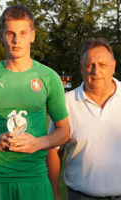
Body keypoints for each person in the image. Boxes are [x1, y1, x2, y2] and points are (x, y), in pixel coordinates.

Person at [0, 4, 69, 200]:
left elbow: (64, 131)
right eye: (10, 33)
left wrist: (39, 142)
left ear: (32, 35)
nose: (16, 40)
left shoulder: (49, 77)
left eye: (23, 33)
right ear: (1, 35)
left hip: (36, 179)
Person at [47, 37, 121, 200]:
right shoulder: (66, 103)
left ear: (113, 67)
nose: (96, 71)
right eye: (90, 65)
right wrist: (53, 195)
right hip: (80, 196)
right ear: (81, 68)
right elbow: (53, 152)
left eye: (102, 65)